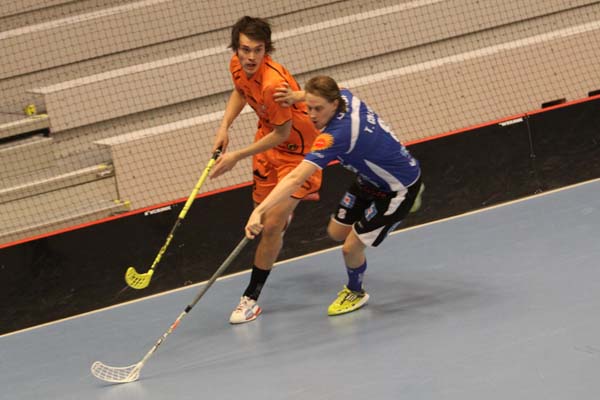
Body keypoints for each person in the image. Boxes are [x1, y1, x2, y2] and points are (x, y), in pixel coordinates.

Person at [245, 75, 424, 316]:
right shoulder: (345, 97)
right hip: (370, 179)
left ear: (334, 104)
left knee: (350, 249)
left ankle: (356, 291)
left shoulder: (336, 136)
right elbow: (339, 87)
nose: (312, 115)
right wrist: (296, 96)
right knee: (336, 232)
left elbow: (295, 178)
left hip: (397, 189)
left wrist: (259, 211)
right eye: (309, 107)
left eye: (318, 109)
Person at [209, 16, 322, 324]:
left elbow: (283, 133)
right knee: (261, 213)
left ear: (266, 49)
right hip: (265, 145)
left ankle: (251, 298)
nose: (251, 57)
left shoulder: (273, 84)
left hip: (297, 154)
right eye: (245, 49)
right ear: (236, 48)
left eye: (258, 50)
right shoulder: (237, 64)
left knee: (268, 225)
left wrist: (236, 155)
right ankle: (283, 213)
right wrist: (224, 126)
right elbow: (241, 90)